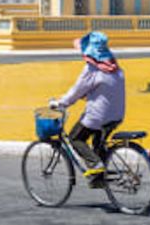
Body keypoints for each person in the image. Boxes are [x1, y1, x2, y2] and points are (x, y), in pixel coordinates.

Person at [50, 31, 126, 188]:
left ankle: (96, 166)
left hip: (98, 116)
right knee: (98, 143)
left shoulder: (92, 70)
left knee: (75, 138)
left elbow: (76, 91)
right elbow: (104, 89)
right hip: (116, 115)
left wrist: (60, 103)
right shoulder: (114, 67)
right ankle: (99, 176)